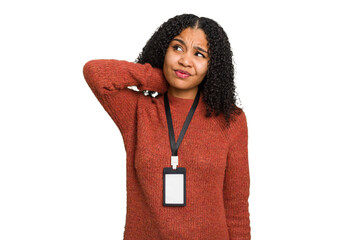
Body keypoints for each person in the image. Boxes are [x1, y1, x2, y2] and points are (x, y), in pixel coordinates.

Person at [83, 13, 250, 240]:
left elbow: (236, 208)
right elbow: (95, 72)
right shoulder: (138, 111)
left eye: (199, 54)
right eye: (178, 48)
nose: (185, 60)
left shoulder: (231, 119)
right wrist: (158, 77)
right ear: (164, 51)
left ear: (213, 66)